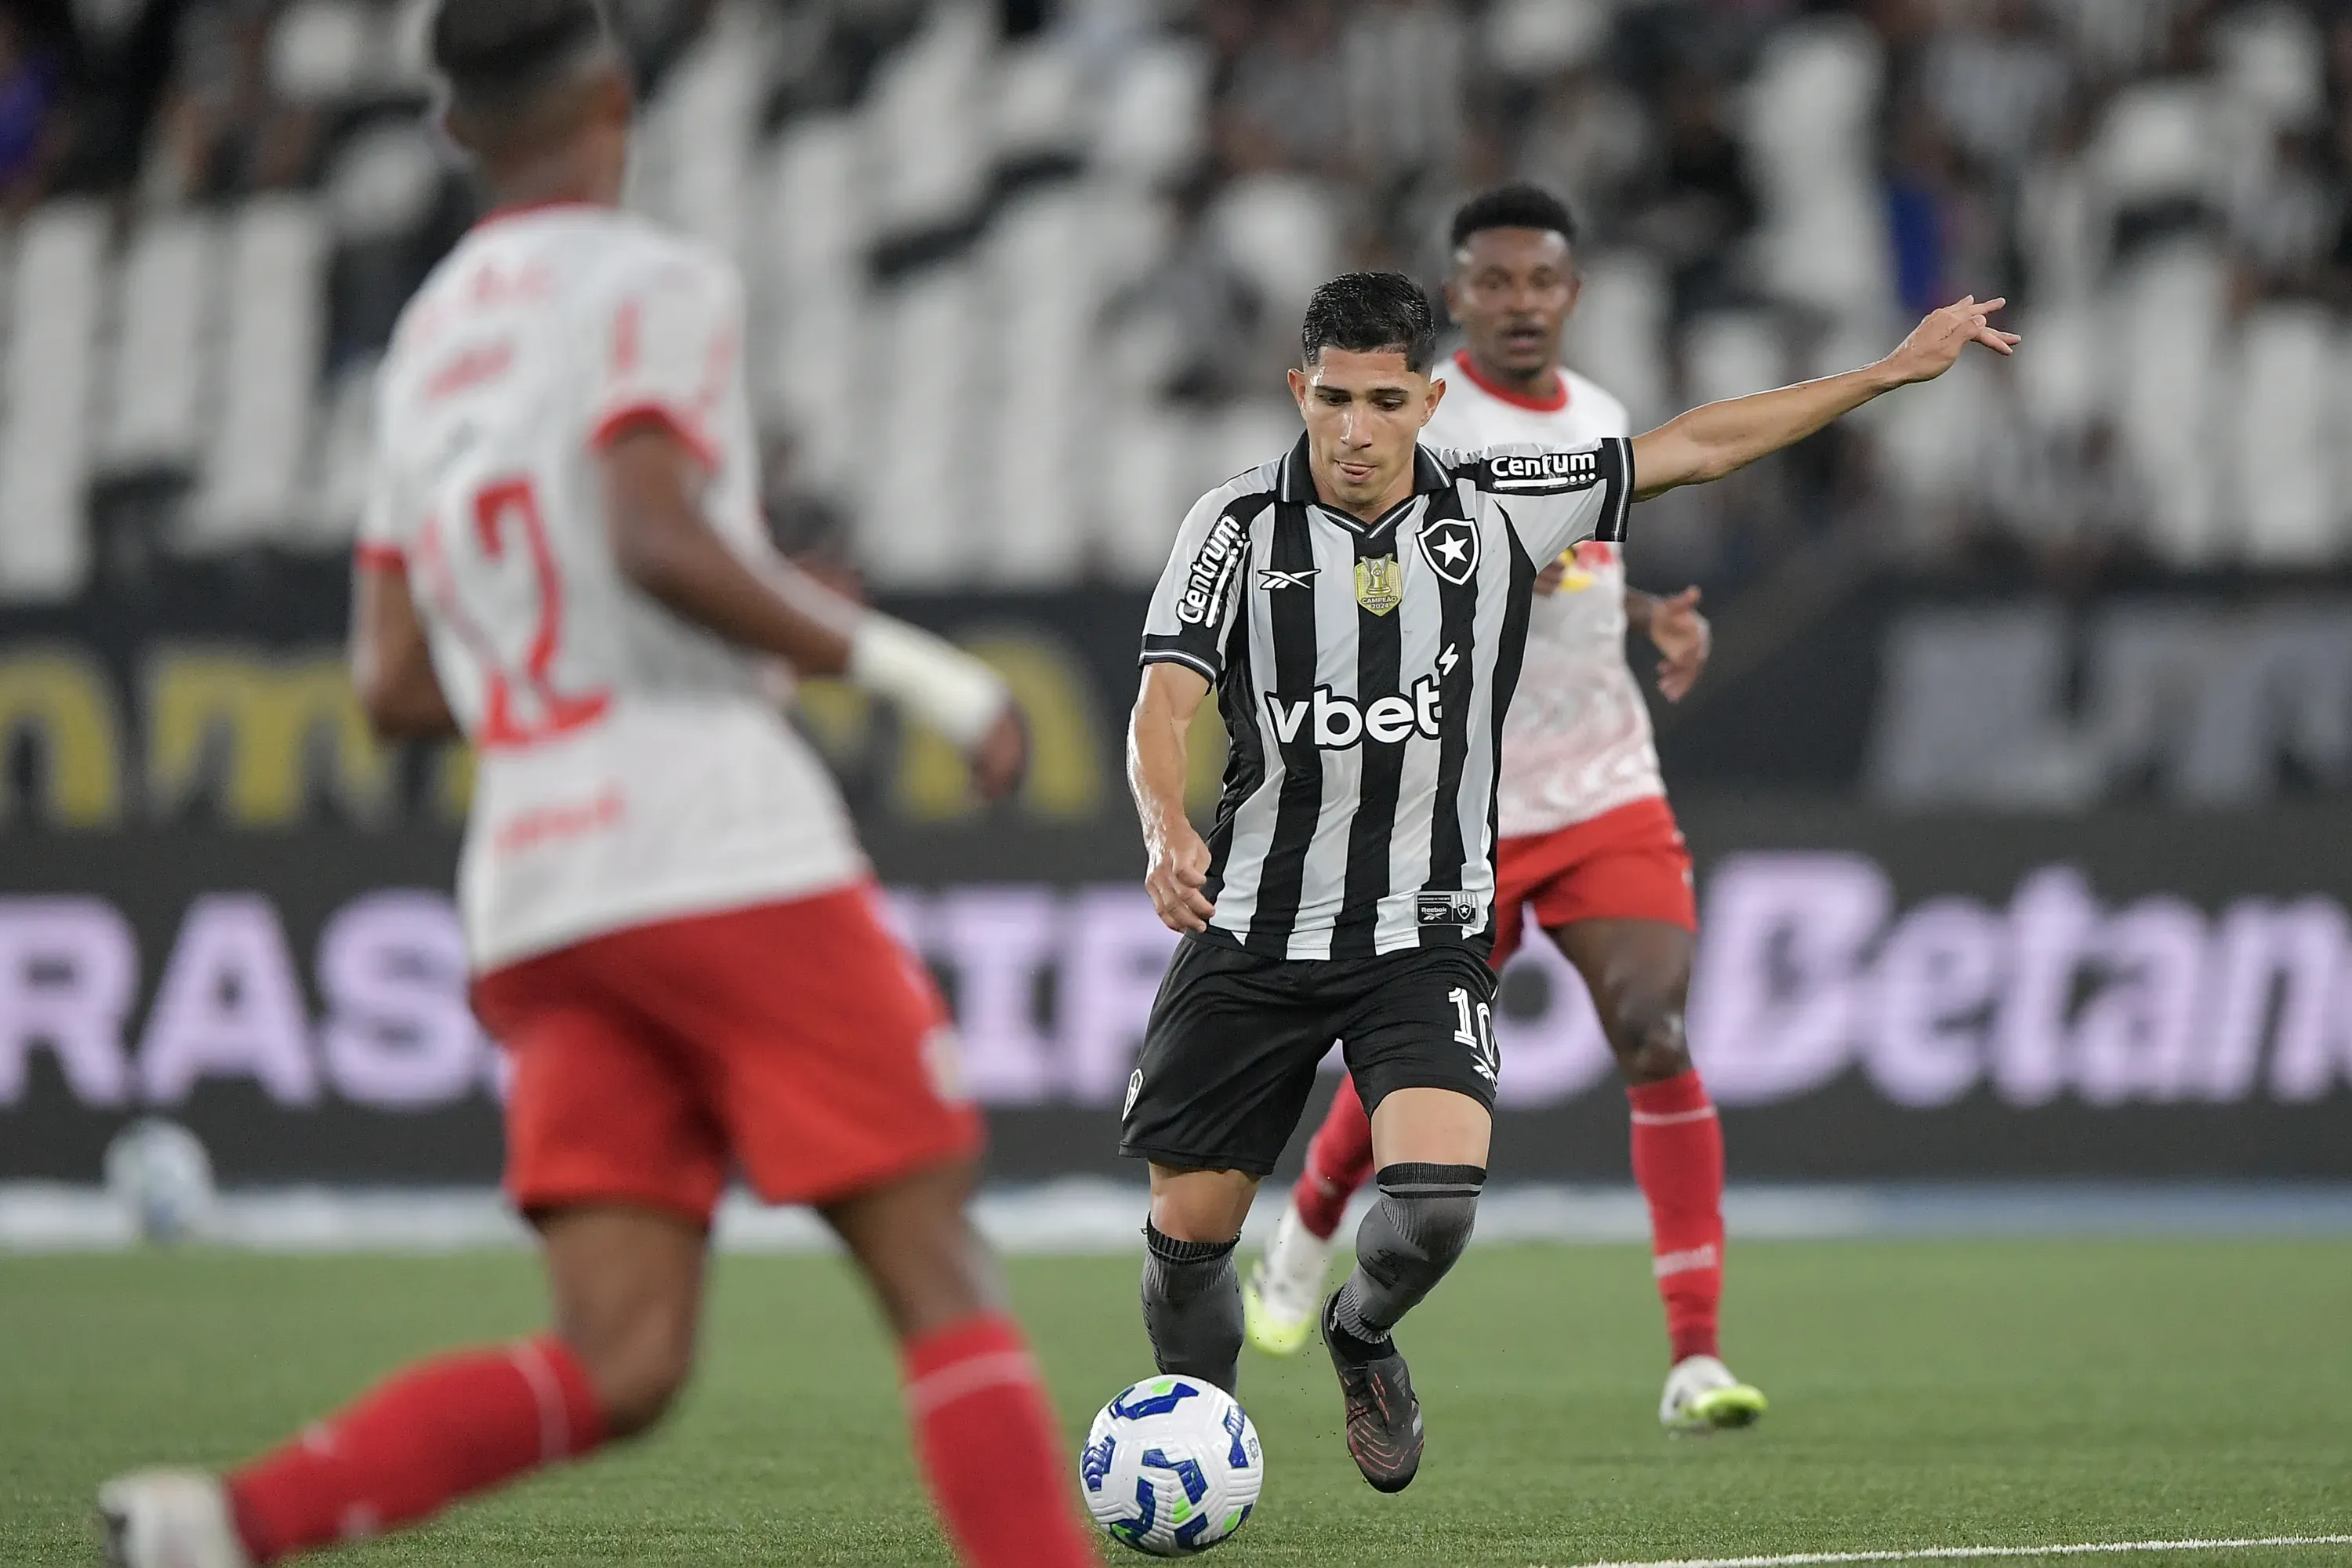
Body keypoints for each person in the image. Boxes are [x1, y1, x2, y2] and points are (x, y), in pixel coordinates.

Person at [96, 5, 1100, 1566]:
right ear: (615, 99)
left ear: (454, 130)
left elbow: (393, 683)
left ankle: (230, 1521)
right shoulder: (657, 284)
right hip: (714, 846)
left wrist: (604, 644)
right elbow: (650, 532)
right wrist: (918, 673)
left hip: (536, 887)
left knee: (621, 1355)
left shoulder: (421, 349)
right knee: (936, 1264)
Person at [1125, 270, 2015, 1493]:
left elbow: (1695, 445)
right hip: (1257, 928)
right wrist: (1166, 824)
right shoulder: (1229, 524)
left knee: (1435, 1210)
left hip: (1421, 930)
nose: (1354, 429)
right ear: (1300, 389)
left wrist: (1886, 374)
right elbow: (1165, 697)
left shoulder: (1498, 507)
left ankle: (1359, 1333)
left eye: (1385, 401)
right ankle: (1202, 1455)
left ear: (1430, 401)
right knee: (1186, 1251)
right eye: (1333, 399)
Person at [1240, 184, 1762, 1436]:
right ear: (1456, 296)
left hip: (1604, 790)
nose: (1521, 303)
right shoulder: (1410, 422)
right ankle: (1307, 1227)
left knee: (1655, 1025)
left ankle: (1695, 1359)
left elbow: (1577, 559)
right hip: (1453, 807)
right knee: (1411, 1076)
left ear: (1573, 295)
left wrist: (1648, 613)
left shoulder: (1600, 417)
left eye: (1543, 282)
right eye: (1495, 282)